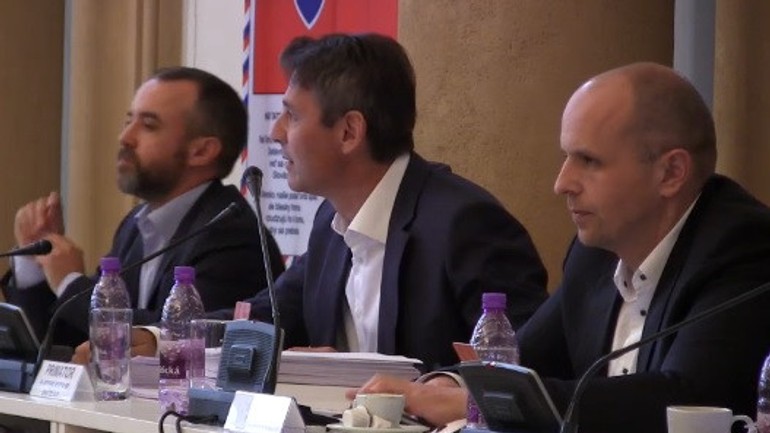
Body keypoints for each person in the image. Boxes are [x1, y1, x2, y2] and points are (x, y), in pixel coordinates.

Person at [74, 33, 549, 370]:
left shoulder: (463, 223)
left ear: (349, 132)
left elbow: (525, 367)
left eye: (292, 115)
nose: (277, 133)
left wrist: (414, 387)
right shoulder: (330, 224)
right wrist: (161, 338)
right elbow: (266, 314)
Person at [350, 62, 770, 433]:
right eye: (566, 157)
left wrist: (476, 402)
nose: (562, 183)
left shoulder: (743, 246)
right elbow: (524, 360)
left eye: (589, 161)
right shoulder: (595, 253)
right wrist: (450, 384)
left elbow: (687, 399)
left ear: (671, 173)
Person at [2, 67, 284, 348]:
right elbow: (70, 340)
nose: (125, 137)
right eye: (129, 121)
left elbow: (177, 338)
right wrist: (35, 262)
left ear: (201, 151)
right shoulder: (136, 223)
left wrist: (70, 283)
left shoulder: (231, 234)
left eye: (149, 125)